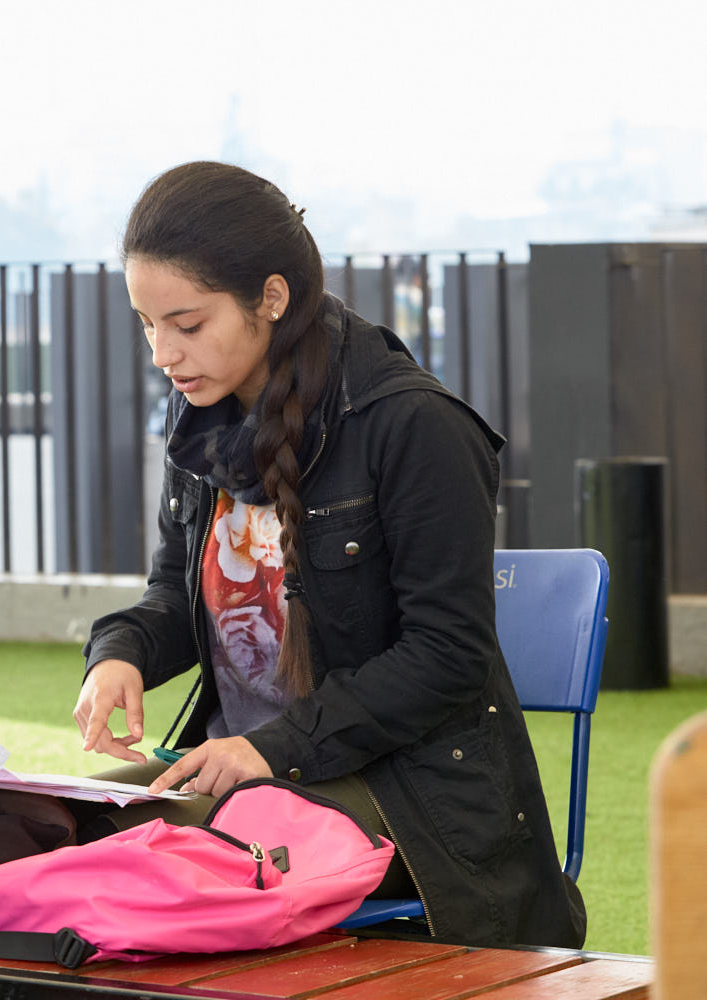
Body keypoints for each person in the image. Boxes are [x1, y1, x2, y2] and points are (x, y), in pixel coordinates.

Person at [72, 161, 585, 948]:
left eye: (187, 323)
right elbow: (173, 602)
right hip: (243, 772)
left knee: (170, 870)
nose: (162, 354)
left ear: (271, 298)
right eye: (147, 324)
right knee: (57, 834)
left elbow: (447, 655)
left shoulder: (412, 426)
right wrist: (120, 655)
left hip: (411, 793)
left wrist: (269, 749)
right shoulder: (200, 420)